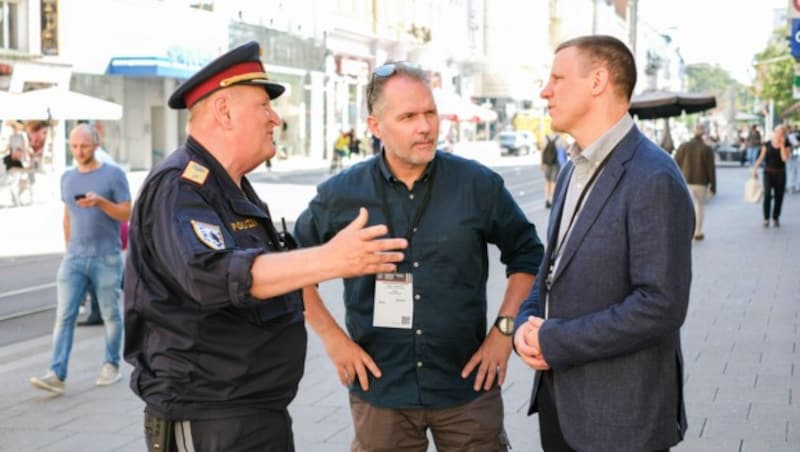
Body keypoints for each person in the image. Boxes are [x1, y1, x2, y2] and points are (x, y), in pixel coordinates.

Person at [122, 41, 407, 452]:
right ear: (224, 111)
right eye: (263, 105)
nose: (275, 118)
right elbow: (210, 275)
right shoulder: (181, 186)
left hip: (250, 413)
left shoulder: (232, 185)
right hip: (210, 419)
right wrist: (327, 259)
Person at [294, 62, 544, 451]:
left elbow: (528, 255)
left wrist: (504, 333)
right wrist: (332, 339)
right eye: (408, 116)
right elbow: (292, 268)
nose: (425, 126)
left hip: (467, 387)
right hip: (380, 388)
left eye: (430, 112)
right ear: (375, 126)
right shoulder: (340, 194)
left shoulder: (478, 185)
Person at [513, 35, 694, 452]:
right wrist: (524, 323)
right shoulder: (572, 168)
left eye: (557, 77)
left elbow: (660, 305)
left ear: (598, 81)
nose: (545, 90)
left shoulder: (654, 177)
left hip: (620, 422)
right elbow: (552, 269)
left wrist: (553, 340)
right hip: (560, 405)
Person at [29, 124, 132, 395]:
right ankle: (56, 373)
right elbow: (67, 216)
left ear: (96, 145)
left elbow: (126, 212)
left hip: (106, 256)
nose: (79, 151)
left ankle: (111, 365)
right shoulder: (68, 178)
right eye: (74, 146)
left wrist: (100, 202)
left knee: (111, 314)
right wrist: (68, 250)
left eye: (84, 146)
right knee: (64, 316)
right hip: (74, 258)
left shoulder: (113, 175)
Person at [674, 123, 717, 240]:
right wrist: (713, 186)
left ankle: (684, 230)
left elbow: (674, 164)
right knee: (699, 207)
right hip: (701, 182)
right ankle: (697, 232)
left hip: (684, 181)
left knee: (685, 207)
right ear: (703, 134)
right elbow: (711, 169)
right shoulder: (707, 149)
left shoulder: (683, 146)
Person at [752, 124, 791, 227]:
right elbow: (761, 157)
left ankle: (776, 217)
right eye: (778, 132)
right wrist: (754, 169)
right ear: (774, 133)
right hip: (768, 173)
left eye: (782, 133)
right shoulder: (767, 144)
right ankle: (766, 218)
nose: (779, 135)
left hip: (780, 173)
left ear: (784, 135)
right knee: (767, 195)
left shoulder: (787, 144)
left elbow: (784, 159)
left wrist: (782, 145)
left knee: (779, 196)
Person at [541, 132, 560, 208]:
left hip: (547, 163)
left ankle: (547, 199)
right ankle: (552, 199)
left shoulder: (545, 138)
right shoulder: (559, 139)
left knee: (547, 181)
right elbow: (566, 149)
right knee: (553, 182)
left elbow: (542, 151)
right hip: (555, 163)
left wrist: (542, 163)